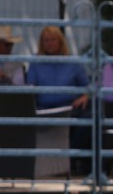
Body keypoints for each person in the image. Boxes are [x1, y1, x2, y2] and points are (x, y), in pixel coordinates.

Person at [26, 26, 92, 175]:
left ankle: (72, 158)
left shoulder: (73, 63)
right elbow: (30, 88)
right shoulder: (35, 63)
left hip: (69, 108)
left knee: (89, 117)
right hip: (42, 108)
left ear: (60, 42)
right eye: (46, 40)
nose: (49, 43)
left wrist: (85, 96)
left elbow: (89, 87)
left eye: (53, 40)